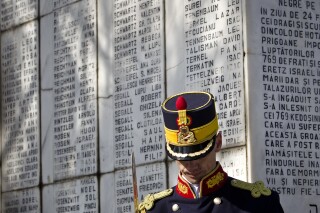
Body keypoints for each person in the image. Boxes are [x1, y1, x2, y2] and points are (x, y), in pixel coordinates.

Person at [138, 91, 284, 213]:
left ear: (218, 142)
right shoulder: (155, 209)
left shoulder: (258, 204)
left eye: (199, 154)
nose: (191, 164)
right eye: (182, 157)